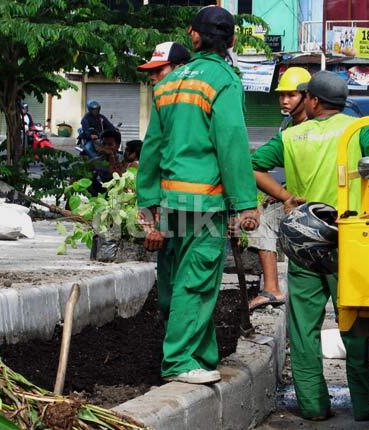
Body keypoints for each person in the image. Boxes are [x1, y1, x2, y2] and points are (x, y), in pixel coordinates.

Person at [251, 71, 369, 421]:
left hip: (304, 241)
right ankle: (365, 407)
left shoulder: (290, 137)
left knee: (304, 327)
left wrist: (286, 197)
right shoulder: (357, 130)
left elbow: (255, 168)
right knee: (354, 323)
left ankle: (313, 406)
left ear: (314, 101)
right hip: (349, 241)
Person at [136, 5, 259, 385]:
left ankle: (202, 357)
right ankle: (179, 362)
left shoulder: (168, 84)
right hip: (204, 202)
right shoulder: (224, 79)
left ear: (193, 36)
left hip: (173, 201)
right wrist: (245, 203)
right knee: (198, 281)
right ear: (233, 40)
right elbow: (232, 144)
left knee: (177, 281)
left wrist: (147, 201)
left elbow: (152, 148)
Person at [248, 66, 311, 311]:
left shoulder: (297, 132)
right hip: (298, 198)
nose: (284, 100)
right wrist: (277, 193)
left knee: (260, 222)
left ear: (308, 97)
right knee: (260, 216)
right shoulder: (288, 126)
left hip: (305, 204)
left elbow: (253, 166)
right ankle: (272, 289)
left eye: (291, 95)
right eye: (281, 94)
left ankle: (273, 288)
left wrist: (284, 196)